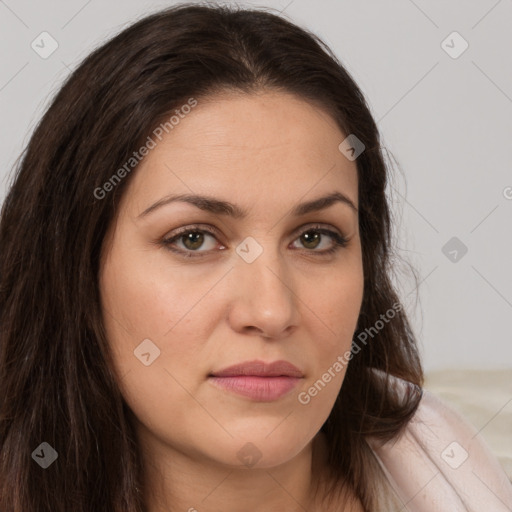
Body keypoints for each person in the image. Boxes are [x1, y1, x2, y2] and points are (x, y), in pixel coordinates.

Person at [0, 3, 510, 511]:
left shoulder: (454, 470)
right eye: (194, 239)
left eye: (314, 238)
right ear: (74, 269)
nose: (271, 312)